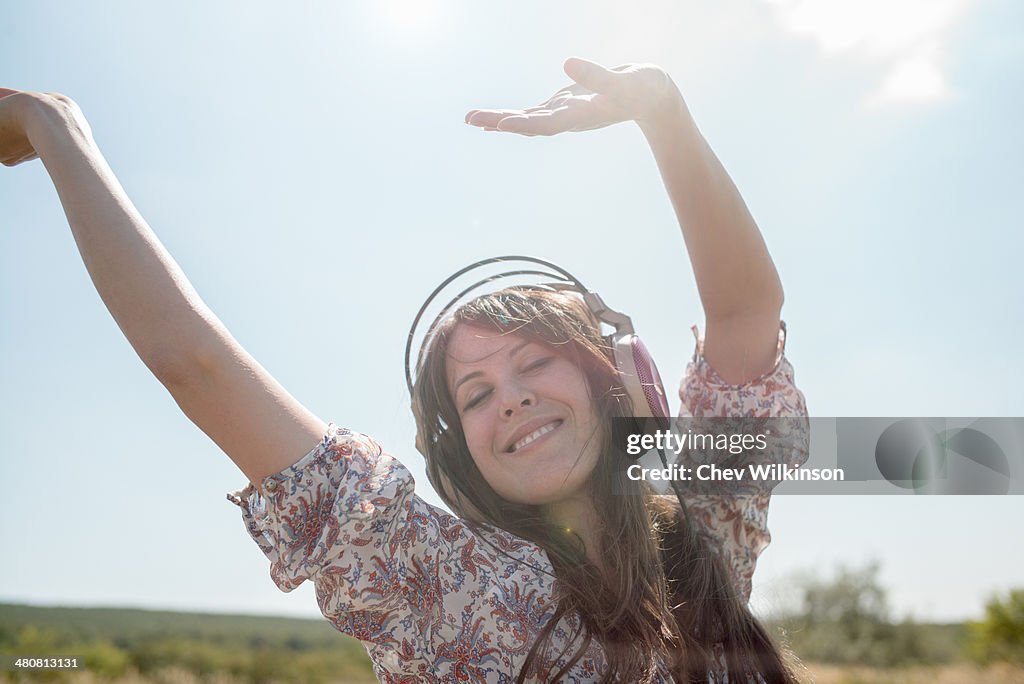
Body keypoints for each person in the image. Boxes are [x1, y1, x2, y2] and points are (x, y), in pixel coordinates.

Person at [0, 57, 808, 683]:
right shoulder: (431, 578)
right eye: (477, 394)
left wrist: (661, 109)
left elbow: (743, 315)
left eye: (535, 362)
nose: (513, 396)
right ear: (462, 452)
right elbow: (196, 364)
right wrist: (55, 128)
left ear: (618, 381)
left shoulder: (707, 521)